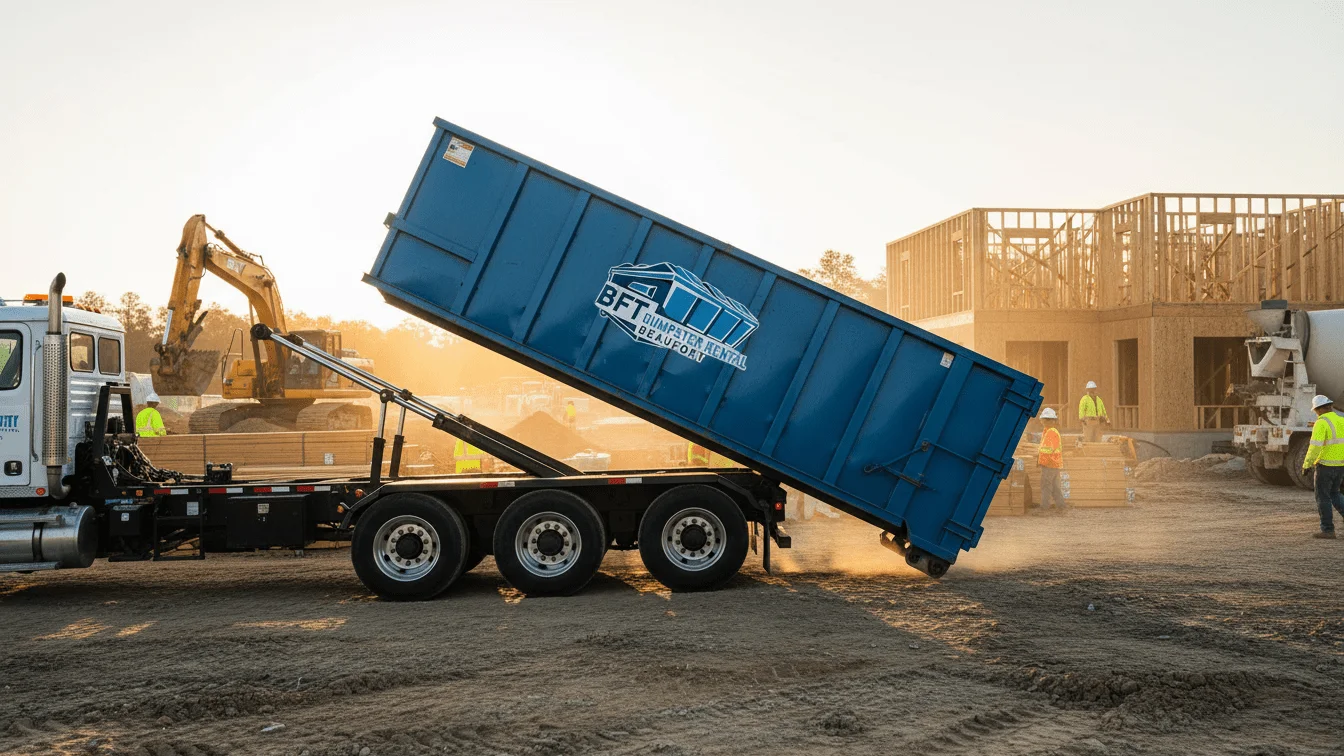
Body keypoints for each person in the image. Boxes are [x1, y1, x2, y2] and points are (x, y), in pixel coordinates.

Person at [1302, 394, 1344, 539]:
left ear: (1318, 410)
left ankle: (1327, 530)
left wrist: (1307, 464)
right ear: (1330, 406)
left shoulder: (1321, 423)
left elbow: (1315, 447)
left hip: (1325, 466)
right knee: (1335, 494)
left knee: (1323, 497)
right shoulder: (1341, 420)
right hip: (1340, 465)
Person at [1036, 408, 1066, 514]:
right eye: (1044, 419)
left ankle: (1044, 508)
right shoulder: (1047, 431)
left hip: (1050, 463)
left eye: (1047, 420)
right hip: (1053, 463)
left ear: (1053, 421)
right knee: (1055, 486)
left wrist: (1041, 460)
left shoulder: (1051, 432)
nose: (1045, 422)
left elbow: (1048, 450)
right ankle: (1061, 507)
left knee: (1046, 486)